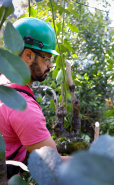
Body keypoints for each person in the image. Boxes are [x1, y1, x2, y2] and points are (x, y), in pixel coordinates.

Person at [0, 17, 70, 179]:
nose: (50, 65)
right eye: (46, 58)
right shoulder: (24, 108)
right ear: (28, 55)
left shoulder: (3, 81)